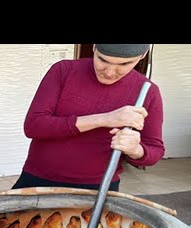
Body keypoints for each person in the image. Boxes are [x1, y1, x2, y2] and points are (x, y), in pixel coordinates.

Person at [12, 44, 164, 192]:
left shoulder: (148, 92)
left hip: (99, 186)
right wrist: (105, 119)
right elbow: (34, 126)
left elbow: (155, 150)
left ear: (142, 56)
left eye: (125, 64)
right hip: (38, 177)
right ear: (93, 47)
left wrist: (136, 150)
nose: (110, 72)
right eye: (103, 60)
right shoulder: (64, 70)